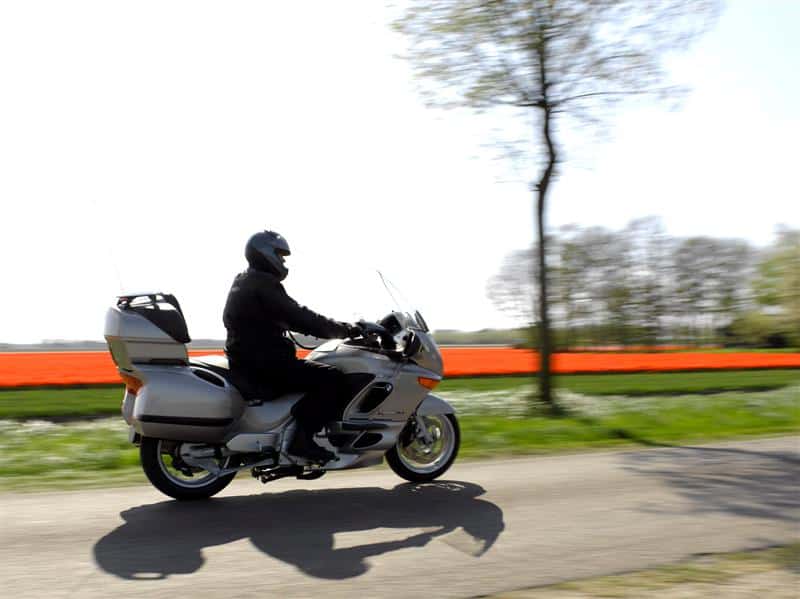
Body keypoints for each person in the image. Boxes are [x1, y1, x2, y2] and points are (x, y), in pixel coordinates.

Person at [222, 230, 361, 463]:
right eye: (280, 255)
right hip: (266, 364)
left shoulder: (243, 280)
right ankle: (302, 440)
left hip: (247, 361)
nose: (283, 261)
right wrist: (345, 330)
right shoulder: (263, 284)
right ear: (265, 254)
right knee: (333, 379)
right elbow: (299, 316)